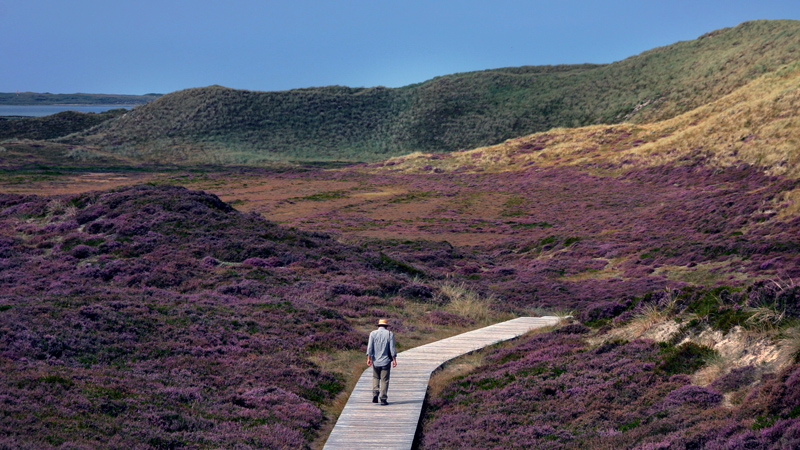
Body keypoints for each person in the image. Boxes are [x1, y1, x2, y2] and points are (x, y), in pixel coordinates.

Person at [366, 318, 397, 405]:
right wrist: (394, 360)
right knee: (385, 380)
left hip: (375, 361)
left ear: (379, 326)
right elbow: (392, 349)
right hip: (386, 361)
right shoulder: (390, 334)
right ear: (386, 326)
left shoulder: (373, 333)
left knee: (375, 377)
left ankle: (375, 393)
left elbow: (370, 348)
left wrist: (369, 358)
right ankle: (383, 398)